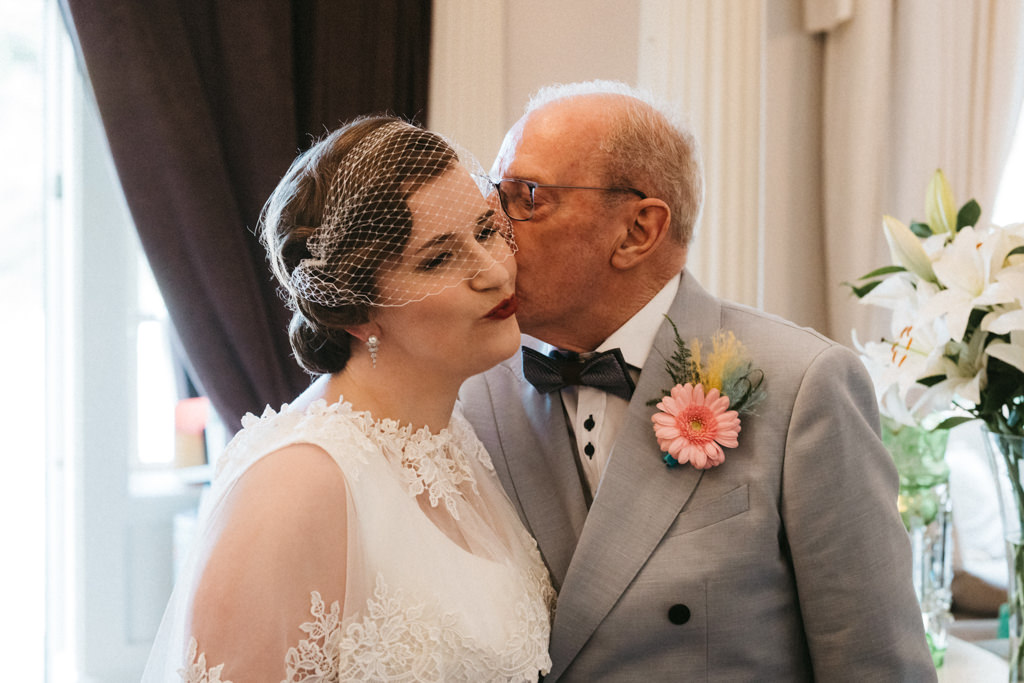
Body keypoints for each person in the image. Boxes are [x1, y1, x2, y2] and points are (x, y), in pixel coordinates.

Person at [459, 80, 937, 681]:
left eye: (526, 197)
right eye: (492, 194)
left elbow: (877, 665)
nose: (492, 225)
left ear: (637, 231)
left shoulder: (803, 387)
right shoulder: (471, 387)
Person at [142, 116, 554, 682]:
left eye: (485, 230)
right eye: (437, 259)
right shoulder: (293, 488)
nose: (492, 272)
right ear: (357, 314)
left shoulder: (455, 439)